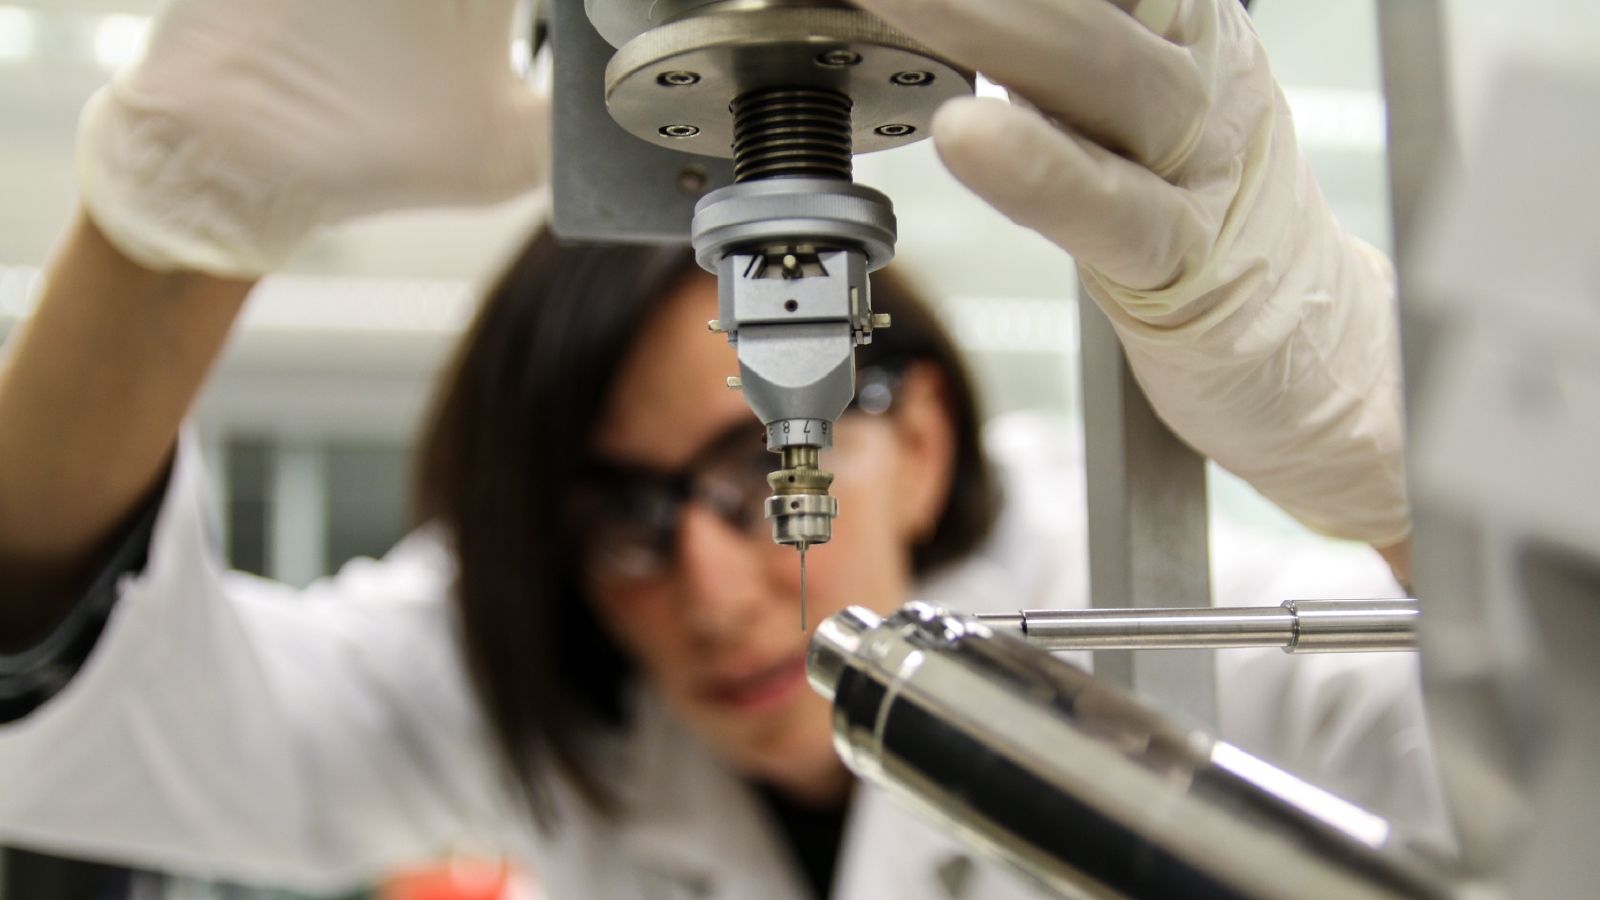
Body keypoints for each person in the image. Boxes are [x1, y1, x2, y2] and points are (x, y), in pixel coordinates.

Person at [0, 0, 1445, 897]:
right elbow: (98, 738)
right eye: (625, 511)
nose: (704, 581)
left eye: (739, 476)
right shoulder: (553, 695)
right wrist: (170, 229)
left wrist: (1397, 474)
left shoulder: (1174, 637)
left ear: (924, 438)